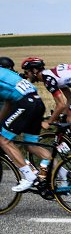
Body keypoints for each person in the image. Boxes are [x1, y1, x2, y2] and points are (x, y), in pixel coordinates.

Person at [0, 63, 53, 192]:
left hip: (25, 104)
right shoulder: (4, 73)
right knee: (31, 145)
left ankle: (29, 177)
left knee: (3, 140)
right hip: (37, 102)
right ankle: (63, 174)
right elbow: (8, 103)